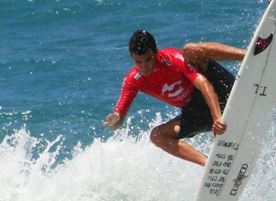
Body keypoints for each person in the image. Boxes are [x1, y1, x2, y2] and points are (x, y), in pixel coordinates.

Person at [104, 30, 246, 166]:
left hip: (220, 88)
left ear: (156, 52)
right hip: (197, 111)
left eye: (148, 60)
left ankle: (248, 55)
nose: (144, 66)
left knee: (190, 50)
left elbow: (204, 85)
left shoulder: (171, 58)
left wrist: (217, 118)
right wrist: (114, 120)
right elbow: (117, 123)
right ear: (131, 57)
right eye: (138, 61)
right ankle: (209, 164)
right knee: (157, 136)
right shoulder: (133, 80)